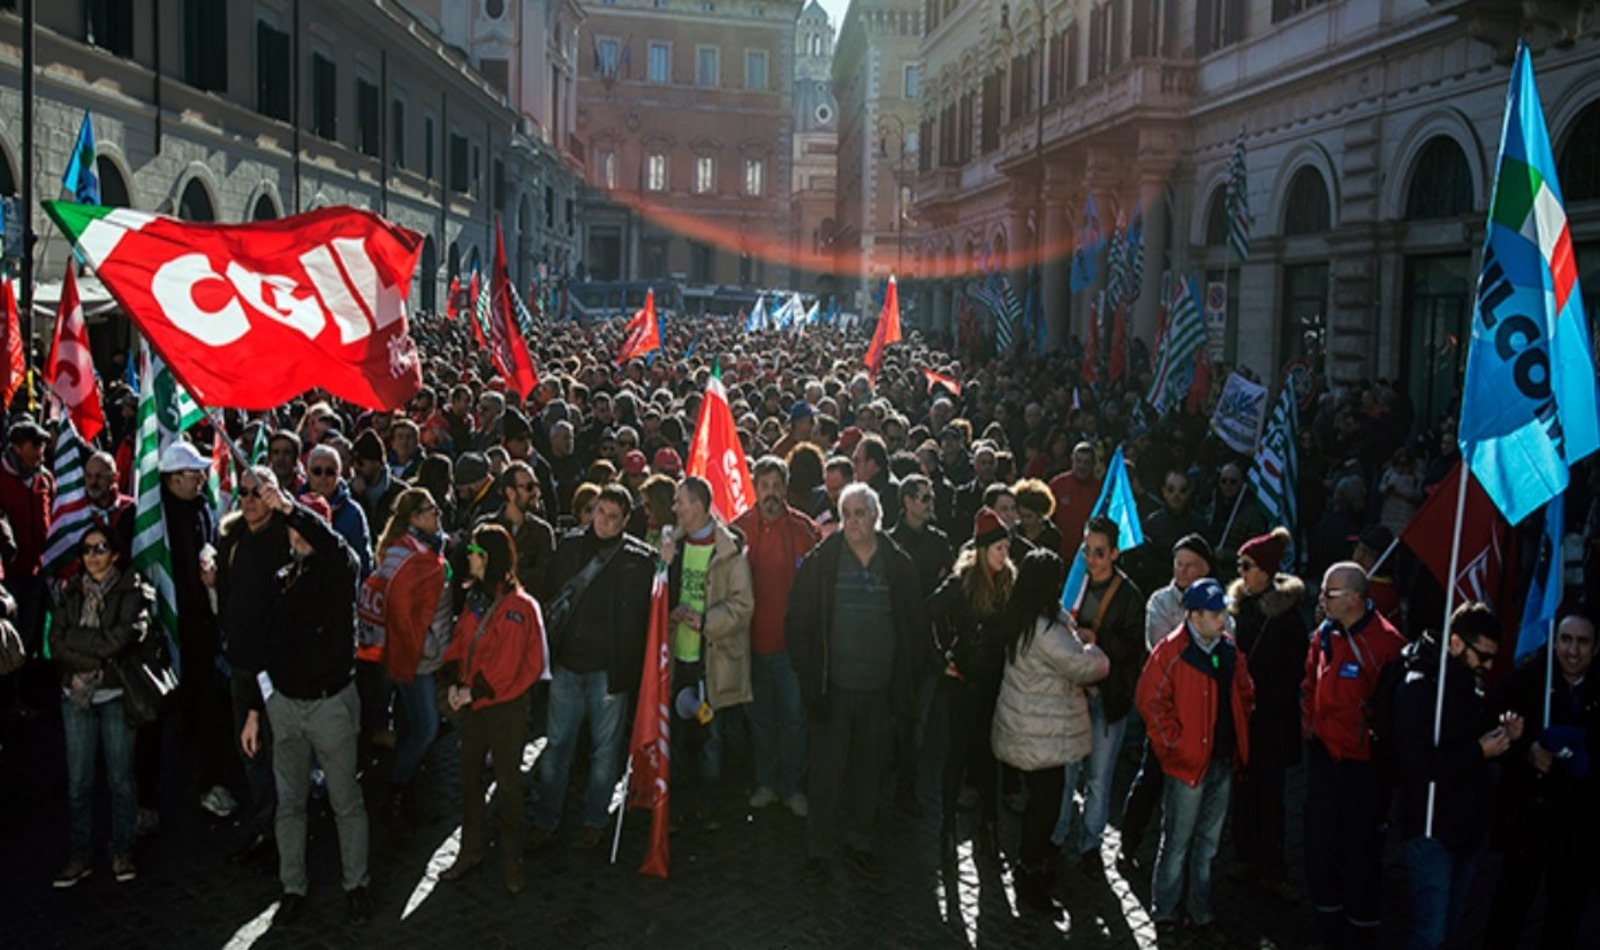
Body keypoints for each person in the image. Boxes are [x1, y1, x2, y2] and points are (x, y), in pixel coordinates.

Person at [239, 490, 371, 926]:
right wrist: (259, 709)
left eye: (304, 525)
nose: (295, 533)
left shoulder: (340, 567)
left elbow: (331, 546)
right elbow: (265, 645)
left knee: (344, 801)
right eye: (292, 527)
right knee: (289, 803)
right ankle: (292, 885)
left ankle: (356, 884)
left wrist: (292, 507)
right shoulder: (283, 578)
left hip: (330, 705)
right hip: (286, 707)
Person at [786, 483, 927, 885]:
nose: (852, 521)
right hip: (833, 689)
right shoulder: (822, 562)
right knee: (826, 774)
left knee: (869, 772)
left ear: (876, 516)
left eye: (860, 513)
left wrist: (909, 680)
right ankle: (818, 850)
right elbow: (798, 623)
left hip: (880, 691)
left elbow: (914, 626)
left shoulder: (898, 564)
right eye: (846, 513)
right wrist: (810, 675)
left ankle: (860, 844)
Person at [530, 484, 655, 850]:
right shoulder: (569, 547)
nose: (604, 522)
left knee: (605, 753)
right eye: (600, 513)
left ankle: (594, 819)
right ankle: (546, 817)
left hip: (608, 671)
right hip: (567, 665)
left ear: (626, 520)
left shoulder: (639, 561)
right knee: (556, 747)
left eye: (613, 517)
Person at [990, 548, 1108, 919]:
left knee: (1040, 803)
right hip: (1041, 732)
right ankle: (1030, 873)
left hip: (1031, 727)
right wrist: (1093, 648)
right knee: (1043, 806)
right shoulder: (1043, 629)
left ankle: (1032, 866)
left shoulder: (1024, 617)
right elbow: (1082, 665)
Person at [1136, 578, 1255, 941]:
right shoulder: (1171, 652)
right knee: (1177, 844)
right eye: (1215, 613)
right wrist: (1177, 747)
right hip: (1188, 766)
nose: (1223, 619)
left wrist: (1236, 733)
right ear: (1195, 615)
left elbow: (1246, 692)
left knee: (1207, 847)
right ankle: (1166, 913)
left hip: (1219, 763)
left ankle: (1200, 913)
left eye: (1223, 612)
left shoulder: (1229, 650)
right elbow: (1150, 702)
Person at [1395, 602, 1519, 950]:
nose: (1488, 666)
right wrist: (1480, 751)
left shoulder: (1470, 685)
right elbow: (1416, 764)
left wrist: (1503, 735)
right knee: (1429, 932)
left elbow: (1471, 737)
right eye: (1483, 656)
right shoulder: (1419, 689)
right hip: (1431, 829)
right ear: (1455, 644)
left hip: (1465, 828)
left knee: (1449, 928)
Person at [438, 524, 549, 894]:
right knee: (468, 778)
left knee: (509, 784)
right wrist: (454, 681)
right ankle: (471, 851)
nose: (467, 556)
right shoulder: (475, 600)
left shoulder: (518, 607)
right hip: (477, 706)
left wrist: (469, 693)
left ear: (487, 557)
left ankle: (512, 861)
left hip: (504, 709)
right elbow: (460, 645)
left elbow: (509, 665)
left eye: (473, 551)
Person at [1302, 561, 1406, 948]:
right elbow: (1309, 683)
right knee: (1320, 843)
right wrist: (1310, 727)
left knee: (1361, 852)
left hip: (1364, 770)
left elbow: (1395, 711)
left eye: (1329, 593)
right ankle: (1326, 923)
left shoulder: (1387, 644)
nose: (1321, 599)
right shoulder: (1323, 635)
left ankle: (1361, 929)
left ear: (1355, 599)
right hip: (1325, 760)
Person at [1484, 614, 1600, 949]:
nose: (1572, 651)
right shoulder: (1530, 678)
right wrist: (1524, 748)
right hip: (1528, 821)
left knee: (1565, 919)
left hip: (1578, 829)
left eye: (1582, 642)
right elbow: (1492, 719)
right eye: (1565, 640)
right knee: (1508, 912)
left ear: (1596, 646)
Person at [50, 525, 155, 888]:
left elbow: (122, 640)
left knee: (120, 779)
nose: (93, 556)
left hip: (114, 696)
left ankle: (122, 849)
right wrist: (95, 647)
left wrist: (81, 644)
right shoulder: (69, 592)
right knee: (79, 783)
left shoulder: (133, 590)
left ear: (116, 554)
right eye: (87, 550)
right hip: (76, 698)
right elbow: (55, 642)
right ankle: (80, 856)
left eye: (100, 548)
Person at [659, 476, 754, 829]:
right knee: (680, 740)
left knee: (710, 739)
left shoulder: (729, 551)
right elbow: (657, 596)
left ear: (697, 507)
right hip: (678, 661)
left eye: (679, 502)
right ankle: (679, 806)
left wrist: (704, 621)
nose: (674, 508)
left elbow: (743, 607)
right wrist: (663, 567)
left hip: (709, 662)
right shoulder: (675, 546)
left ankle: (708, 808)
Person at [1121, 533, 1219, 867]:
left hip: (1204, 712)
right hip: (1167, 709)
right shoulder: (1160, 602)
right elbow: (1162, 649)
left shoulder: (1220, 604)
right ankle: (1129, 842)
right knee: (1151, 779)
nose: (1183, 571)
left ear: (1206, 569)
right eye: (1179, 564)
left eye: (1192, 566)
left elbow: (1223, 653)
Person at [1054, 515, 1145, 877]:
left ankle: (1091, 844)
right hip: (1072, 693)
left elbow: (1134, 647)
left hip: (1109, 697)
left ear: (1115, 553)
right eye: (1087, 550)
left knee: (1099, 776)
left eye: (1099, 553)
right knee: (1065, 770)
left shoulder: (1129, 596)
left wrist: (1099, 640)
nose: (1092, 559)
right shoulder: (1075, 583)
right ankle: (1058, 834)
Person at [732, 456, 820, 818]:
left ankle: (792, 786)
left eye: (776, 486)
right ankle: (766, 782)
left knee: (794, 717)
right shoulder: (738, 530)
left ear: (786, 487)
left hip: (792, 646)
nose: (770, 493)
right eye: (764, 486)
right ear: (755, 488)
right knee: (762, 718)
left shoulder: (804, 529)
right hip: (750, 642)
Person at [928, 507, 1016, 865]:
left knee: (986, 754)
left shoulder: (1009, 581)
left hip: (993, 681)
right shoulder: (962, 581)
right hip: (963, 681)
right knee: (958, 752)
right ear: (982, 550)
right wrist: (941, 659)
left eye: (1005, 548)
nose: (1004, 555)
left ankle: (989, 825)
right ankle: (948, 826)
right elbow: (928, 613)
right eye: (998, 549)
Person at [1226, 527, 1308, 902]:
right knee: (1243, 791)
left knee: (1271, 797)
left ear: (1266, 571)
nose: (1240, 572)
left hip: (1272, 722)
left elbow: (1296, 673)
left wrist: (1264, 696)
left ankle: (1273, 867)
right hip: (1242, 718)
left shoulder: (1289, 619)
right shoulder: (1238, 608)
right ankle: (1246, 857)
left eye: (1247, 565)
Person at [214, 466, 291, 868]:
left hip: (272, 670)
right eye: (242, 492)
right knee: (251, 756)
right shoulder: (233, 538)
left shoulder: (283, 539)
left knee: (279, 755)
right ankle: (265, 827)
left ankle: (286, 835)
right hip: (239, 664)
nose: (248, 499)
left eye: (257, 493)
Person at [364, 488, 454, 829]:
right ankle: (397, 792)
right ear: (414, 517)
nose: (438, 515)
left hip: (422, 654)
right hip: (415, 658)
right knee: (426, 728)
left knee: (409, 727)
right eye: (431, 510)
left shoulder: (425, 548)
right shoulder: (405, 556)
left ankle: (406, 798)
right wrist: (430, 646)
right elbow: (400, 613)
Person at [160, 439, 237, 820]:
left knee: (207, 704)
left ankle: (210, 781)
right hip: (170, 624)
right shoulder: (159, 518)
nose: (202, 478)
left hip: (200, 625)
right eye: (194, 473)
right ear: (174, 479)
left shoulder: (202, 509)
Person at [886, 472, 954, 817]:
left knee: (918, 723)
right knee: (892, 721)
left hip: (928, 647)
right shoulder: (889, 542)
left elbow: (951, 587)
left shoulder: (939, 541)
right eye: (924, 498)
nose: (930, 504)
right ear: (907, 502)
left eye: (931, 498)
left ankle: (906, 789)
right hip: (896, 647)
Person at [479, 460, 556, 594]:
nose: (536, 492)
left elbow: (545, 577)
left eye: (537, 486)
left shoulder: (542, 532)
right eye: (529, 487)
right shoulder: (486, 526)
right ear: (510, 492)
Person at [1047, 442, 1099, 560]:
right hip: (1060, 554)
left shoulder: (1100, 489)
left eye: (1087, 462)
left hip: (1088, 557)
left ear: (1093, 465)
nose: (1082, 466)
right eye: (1078, 461)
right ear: (1072, 461)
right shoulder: (1057, 484)